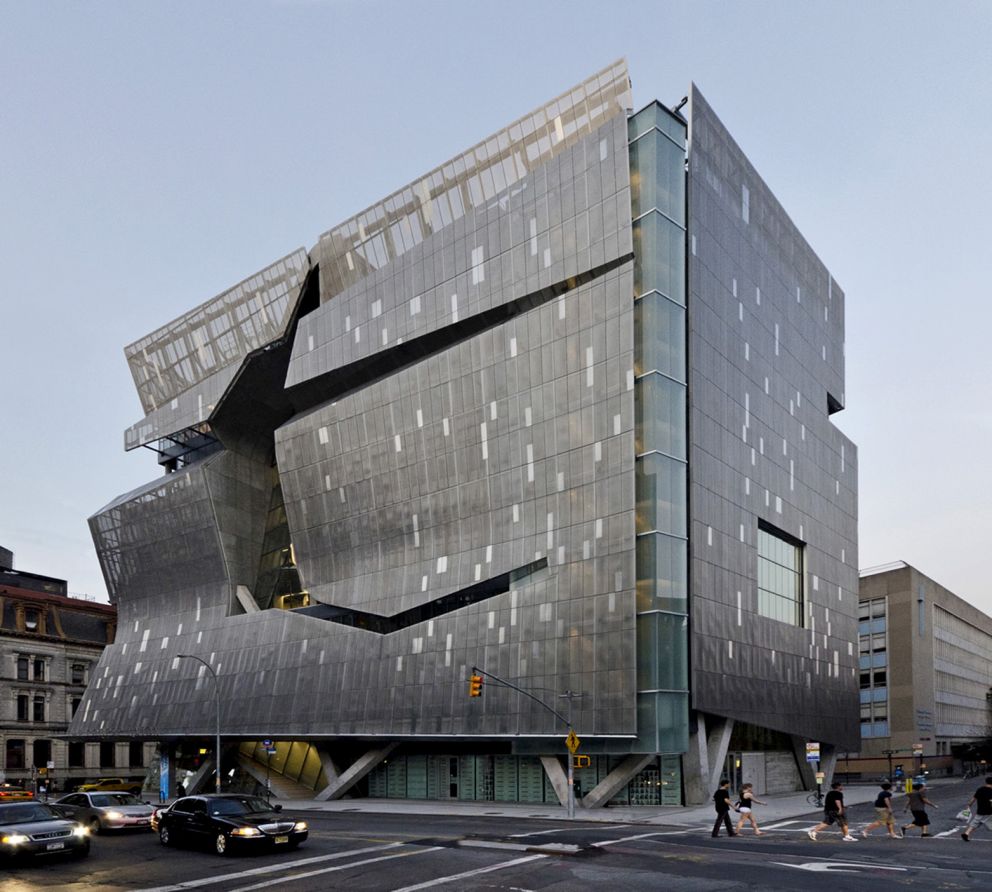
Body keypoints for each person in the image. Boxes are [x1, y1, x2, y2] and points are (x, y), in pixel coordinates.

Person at [961, 776, 992, 840]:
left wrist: (969, 805)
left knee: (975, 822)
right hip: (990, 810)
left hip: (981, 810)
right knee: (989, 822)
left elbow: (973, 799)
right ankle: (985, 823)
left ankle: (966, 833)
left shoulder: (980, 789)